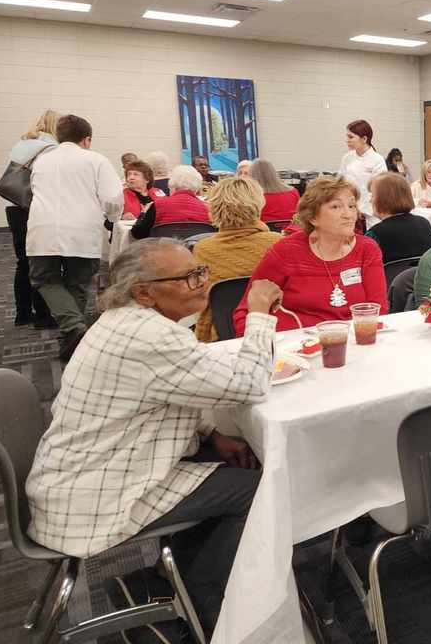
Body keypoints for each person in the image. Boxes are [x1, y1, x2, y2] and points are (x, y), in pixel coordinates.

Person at [25, 238, 282, 639]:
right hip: (95, 494)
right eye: (188, 277)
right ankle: (204, 597)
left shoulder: (127, 323)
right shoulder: (150, 337)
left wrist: (212, 434)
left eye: (200, 271)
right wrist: (260, 313)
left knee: (228, 463)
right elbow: (250, 384)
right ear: (143, 292)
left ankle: (173, 578)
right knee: (263, 489)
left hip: (80, 473)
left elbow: (162, 394)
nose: (201, 282)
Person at [233, 176, 387, 335]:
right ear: (313, 217)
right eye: (336, 207)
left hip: (352, 340)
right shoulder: (286, 250)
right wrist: (259, 343)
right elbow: (245, 311)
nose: (348, 215)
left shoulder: (367, 249)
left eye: (352, 206)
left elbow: (378, 310)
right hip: (294, 343)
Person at [27, 114, 122, 361]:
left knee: (44, 279)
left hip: (42, 228)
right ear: (87, 139)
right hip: (82, 230)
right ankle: (74, 328)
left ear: (59, 137)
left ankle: (72, 334)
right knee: (77, 283)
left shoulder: (41, 160)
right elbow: (113, 198)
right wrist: (112, 218)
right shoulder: (96, 160)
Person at [193, 177, 281, 342]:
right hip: (273, 330)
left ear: (214, 206)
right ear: (258, 204)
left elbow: (200, 302)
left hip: (221, 336)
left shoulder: (202, 249)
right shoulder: (278, 243)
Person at [6, 110, 58, 328]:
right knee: (43, 262)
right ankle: (43, 316)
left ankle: (23, 313)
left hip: (16, 209)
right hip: (35, 209)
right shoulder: (50, 148)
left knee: (23, 263)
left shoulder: (24, 143)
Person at [365, 172, 431, 263]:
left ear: (384, 199)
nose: (370, 200)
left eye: (372, 196)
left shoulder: (374, 234)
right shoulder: (424, 224)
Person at [131, 165, 211, 239]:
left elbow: (138, 234)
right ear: (196, 188)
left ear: (172, 185)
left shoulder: (158, 205)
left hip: (163, 248)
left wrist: (143, 213)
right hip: (194, 248)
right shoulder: (207, 208)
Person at [339, 119, 387, 216]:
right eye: (347, 136)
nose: (347, 140)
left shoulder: (377, 160)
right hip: (349, 208)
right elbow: (340, 181)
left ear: (364, 139)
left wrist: (363, 208)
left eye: (351, 137)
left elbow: (379, 190)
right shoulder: (347, 157)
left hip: (369, 212)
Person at [249, 158, 300, 224]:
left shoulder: (252, 196)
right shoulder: (293, 192)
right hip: (290, 229)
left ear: (252, 175)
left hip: (264, 229)